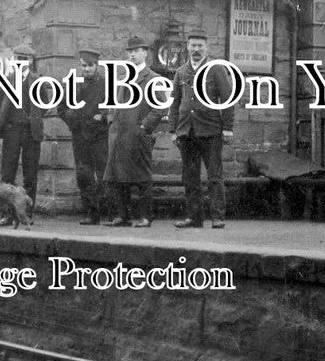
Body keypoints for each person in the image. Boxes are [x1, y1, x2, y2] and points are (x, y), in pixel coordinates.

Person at [169, 32, 235, 229]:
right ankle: (194, 217)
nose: (196, 50)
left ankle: (217, 217)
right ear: (187, 48)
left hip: (210, 130)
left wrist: (228, 128)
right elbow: (175, 103)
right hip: (186, 132)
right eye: (193, 46)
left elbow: (228, 99)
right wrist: (173, 129)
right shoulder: (181, 72)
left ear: (206, 48)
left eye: (200, 46)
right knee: (190, 177)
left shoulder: (216, 70)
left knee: (214, 175)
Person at [104, 36, 166, 228]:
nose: (131, 54)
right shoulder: (123, 78)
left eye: (136, 50)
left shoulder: (153, 79)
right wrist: (112, 122)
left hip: (138, 135)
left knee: (142, 178)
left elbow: (160, 107)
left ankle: (145, 217)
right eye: (129, 51)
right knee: (118, 177)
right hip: (119, 135)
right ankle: (122, 216)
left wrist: (144, 127)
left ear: (145, 53)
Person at [0, 43, 44, 225]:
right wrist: (10, 120)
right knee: (8, 173)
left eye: (25, 59)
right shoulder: (8, 79)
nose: (21, 62)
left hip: (30, 133)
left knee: (30, 174)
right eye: (18, 59)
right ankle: (7, 214)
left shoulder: (37, 80)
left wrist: (33, 118)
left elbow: (44, 103)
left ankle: (27, 214)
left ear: (30, 61)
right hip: (12, 132)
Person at [58, 48, 109, 225]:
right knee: (83, 174)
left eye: (90, 66)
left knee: (103, 174)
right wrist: (73, 120)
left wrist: (103, 116)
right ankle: (90, 212)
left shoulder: (105, 83)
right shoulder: (74, 84)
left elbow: (114, 107)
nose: (86, 69)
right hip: (80, 136)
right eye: (84, 66)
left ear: (97, 66)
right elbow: (62, 109)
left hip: (100, 136)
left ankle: (106, 211)